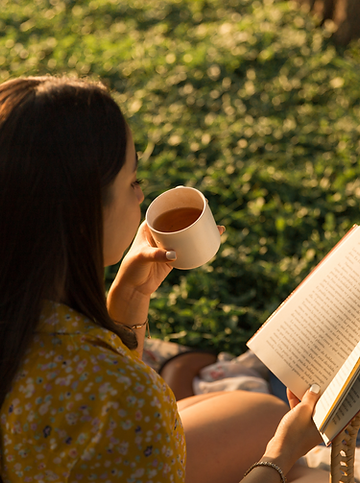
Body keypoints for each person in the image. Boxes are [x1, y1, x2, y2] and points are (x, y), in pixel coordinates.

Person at [0, 75, 328, 483]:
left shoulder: (35, 331)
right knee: (308, 474)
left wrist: (127, 303)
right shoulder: (126, 399)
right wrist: (281, 456)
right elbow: (110, 397)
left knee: (259, 414)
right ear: (83, 218)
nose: (141, 196)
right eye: (133, 181)